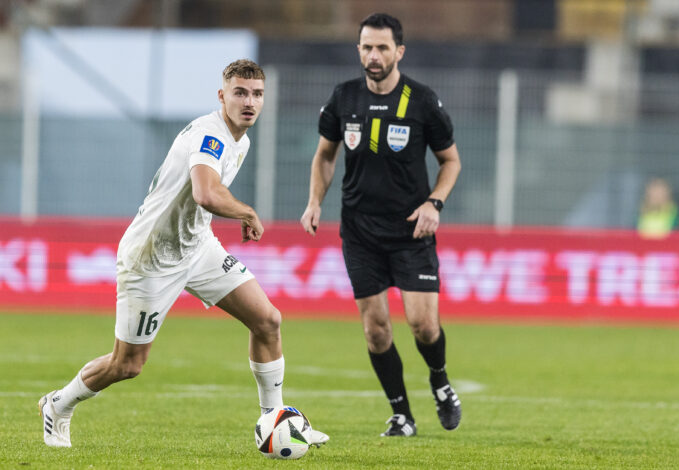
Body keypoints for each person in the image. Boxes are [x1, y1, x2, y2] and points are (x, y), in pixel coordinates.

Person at [39, 59, 328, 448]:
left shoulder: (241, 139)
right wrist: (245, 211)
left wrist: (228, 215)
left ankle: (273, 420)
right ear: (222, 96)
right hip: (152, 258)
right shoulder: (212, 135)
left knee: (267, 320)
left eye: (257, 94)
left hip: (197, 247)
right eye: (240, 93)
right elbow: (205, 193)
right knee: (128, 365)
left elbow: (205, 201)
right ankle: (58, 404)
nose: (250, 102)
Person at [300, 13, 462, 437]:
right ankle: (402, 415)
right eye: (367, 47)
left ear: (399, 52)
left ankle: (440, 381)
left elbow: (451, 161)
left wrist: (435, 203)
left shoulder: (423, 101)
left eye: (382, 48)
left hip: (412, 230)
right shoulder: (344, 98)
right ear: (359, 50)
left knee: (423, 326)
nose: (374, 56)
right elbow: (325, 155)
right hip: (360, 232)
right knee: (375, 332)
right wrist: (315, 201)